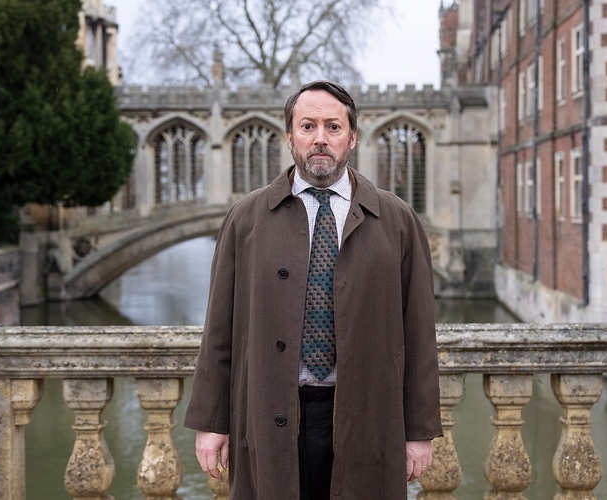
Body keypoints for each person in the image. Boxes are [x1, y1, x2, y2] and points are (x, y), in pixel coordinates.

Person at [184, 80, 441, 499]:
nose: (320, 138)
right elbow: (219, 330)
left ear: (352, 138)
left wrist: (420, 430)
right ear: (289, 137)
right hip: (269, 409)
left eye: (333, 127)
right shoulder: (246, 218)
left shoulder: (397, 220)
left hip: (367, 413)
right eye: (307, 126)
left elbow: (418, 335)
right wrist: (212, 423)